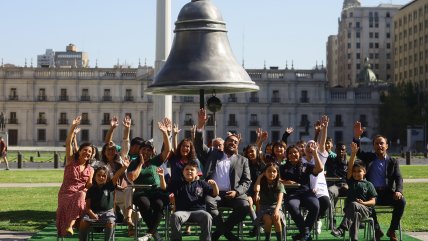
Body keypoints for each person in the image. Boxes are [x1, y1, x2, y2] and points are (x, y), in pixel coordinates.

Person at [195, 108, 251, 241]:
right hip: (214, 193)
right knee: (208, 203)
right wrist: (200, 125)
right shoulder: (212, 154)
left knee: (245, 206)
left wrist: (236, 192)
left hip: (233, 194)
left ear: (238, 145)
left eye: (235, 142)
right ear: (224, 143)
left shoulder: (243, 160)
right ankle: (229, 235)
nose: (232, 143)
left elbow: (247, 181)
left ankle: (219, 233)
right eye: (230, 141)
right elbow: (198, 144)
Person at [353, 121, 405, 241]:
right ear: (373, 146)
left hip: (387, 193)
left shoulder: (393, 161)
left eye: (382, 143)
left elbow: (398, 177)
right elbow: (358, 151)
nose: (379, 146)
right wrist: (357, 136)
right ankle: (377, 230)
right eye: (376, 144)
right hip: (372, 193)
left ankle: (392, 230)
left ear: (387, 145)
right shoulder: (369, 158)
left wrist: (399, 191)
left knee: (401, 202)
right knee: (366, 202)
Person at [127, 119, 171, 241]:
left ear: (151, 152)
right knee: (144, 204)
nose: (146, 152)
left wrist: (165, 133)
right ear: (139, 151)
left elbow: (167, 150)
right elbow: (131, 178)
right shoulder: (134, 162)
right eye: (143, 149)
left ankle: (149, 233)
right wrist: (140, 164)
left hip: (156, 191)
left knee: (159, 204)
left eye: (148, 150)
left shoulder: (155, 161)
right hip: (141, 192)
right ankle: (153, 232)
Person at [159, 160, 219, 241]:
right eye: (186, 169)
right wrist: (162, 176)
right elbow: (164, 188)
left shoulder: (202, 183)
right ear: (183, 172)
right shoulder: (177, 183)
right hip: (182, 212)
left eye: (192, 169)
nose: (189, 171)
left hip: (199, 212)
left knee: (207, 216)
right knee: (175, 216)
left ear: (197, 172)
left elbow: (215, 194)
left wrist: (214, 185)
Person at [56, 116, 94, 237]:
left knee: (82, 194)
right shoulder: (71, 161)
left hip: (80, 195)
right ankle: (71, 226)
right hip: (66, 194)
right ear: (80, 150)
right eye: (85, 150)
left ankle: (70, 225)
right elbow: (68, 144)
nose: (87, 153)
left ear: (92, 156)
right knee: (80, 196)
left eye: (90, 152)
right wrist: (72, 127)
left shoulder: (91, 169)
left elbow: (89, 184)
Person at [331, 142, 377, 241]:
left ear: (364, 172)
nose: (356, 174)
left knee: (354, 205)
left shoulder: (369, 184)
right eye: (354, 172)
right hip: (351, 211)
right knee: (355, 214)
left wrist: (363, 203)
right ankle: (354, 239)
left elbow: (373, 201)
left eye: (359, 171)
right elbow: (350, 167)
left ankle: (341, 229)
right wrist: (353, 154)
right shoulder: (351, 181)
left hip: (365, 209)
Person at [280, 142, 324, 241]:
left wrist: (315, 153)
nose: (293, 154)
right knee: (291, 205)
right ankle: (305, 233)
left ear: (299, 153)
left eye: (295, 152)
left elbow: (320, 168)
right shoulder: (283, 167)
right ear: (287, 155)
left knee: (315, 205)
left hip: (306, 193)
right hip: (292, 194)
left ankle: (303, 233)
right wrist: (286, 182)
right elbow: (276, 179)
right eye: (290, 153)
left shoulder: (306, 165)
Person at [78, 157, 130, 241]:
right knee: (83, 222)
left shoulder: (110, 186)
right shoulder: (91, 189)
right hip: (93, 213)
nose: (101, 177)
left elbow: (117, 175)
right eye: (98, 175)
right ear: (95, 177)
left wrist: (124, 167)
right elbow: (87, 207)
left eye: (103, 176)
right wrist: (92, 214)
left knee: (110, 222)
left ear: (107, 177)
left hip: (107, 213)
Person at [301, 116, 330, 234]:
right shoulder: (300, 160)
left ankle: (315, 220)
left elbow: (322, 143)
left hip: (320, 190)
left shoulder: (320, 158)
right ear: (304, 149)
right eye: (308, 146)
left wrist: (324, 129)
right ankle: (308, 226)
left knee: (325, 203)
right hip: (306, 190)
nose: (310, 148)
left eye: (313, 146)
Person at [253, 162, 285, 241]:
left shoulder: (280, 185)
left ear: (277, 173)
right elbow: (256, 189)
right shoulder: (261, 183)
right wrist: (259, 177)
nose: (271, 173)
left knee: (276, 217)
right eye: (269, 171)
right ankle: (267, 239)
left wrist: (276, 211)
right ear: (265, 172)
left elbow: (280, 200)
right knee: (267, 218)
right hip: (263, 209)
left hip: (276, 208)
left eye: (274, 171)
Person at [243, 143, 266, 237]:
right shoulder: (245, 163)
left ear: (257, 152)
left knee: (259, 201)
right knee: (248, 203)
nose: (249, 154)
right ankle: (258, 226)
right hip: (247, 190)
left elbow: (264, 181)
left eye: (252, 151)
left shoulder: (263, 166)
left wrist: (257, 192)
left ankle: (257, 227)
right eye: (248, 152)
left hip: (260, 190)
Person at [325, 142, 349, 226]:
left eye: (343, 150)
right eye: (339, 149)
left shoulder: (348, 162)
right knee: (330, 192)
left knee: (354, 192)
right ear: (335, 150)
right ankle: (332, 219)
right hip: (334, 185)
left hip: (345, 185)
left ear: (345, 151)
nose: (341, 151)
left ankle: (349, 218)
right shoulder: (330, 160)